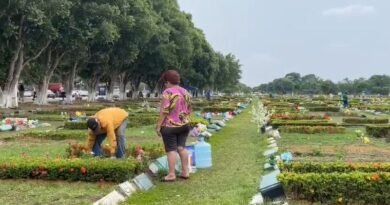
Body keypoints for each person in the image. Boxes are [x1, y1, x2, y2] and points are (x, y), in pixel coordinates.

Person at [156, 69, 192, 182]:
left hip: (169, 126)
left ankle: (171, 174)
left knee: (171, 149)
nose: (164, 85)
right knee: (181, 148)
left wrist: (158, 126)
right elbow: (189, 109)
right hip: (184, 125)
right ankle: (185, 171)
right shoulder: (186, 92)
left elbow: (164, 111)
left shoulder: (167, 92)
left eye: (164, 82)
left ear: (167, 81)